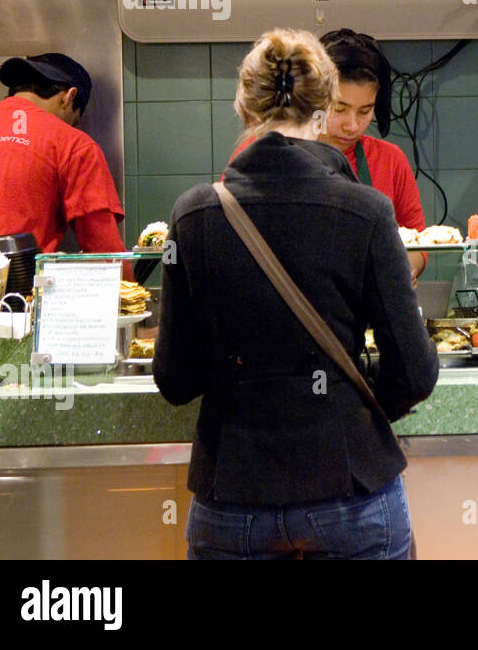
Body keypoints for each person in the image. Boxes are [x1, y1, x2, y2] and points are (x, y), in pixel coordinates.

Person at [154, 28, 439, 560]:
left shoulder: (192, 215)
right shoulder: (368, 211)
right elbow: (416, 373)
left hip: (232, 494)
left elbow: (175, 379)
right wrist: (356, 400)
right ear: (324, 104)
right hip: (350, 489)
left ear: (244, 103)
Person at [227, 28, 428, 283]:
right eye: (339, 109)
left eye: (365, 111)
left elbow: (419, 238)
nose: (352, 125)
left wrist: (398, 274)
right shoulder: (259, 154)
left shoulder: (390, 160)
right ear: (315, 100)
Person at [0, 53, 124, 253]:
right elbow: (103, 248)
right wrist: (128, 283)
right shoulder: (73, 144)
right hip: (17, 282)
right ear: (69, 97)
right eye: (74, 121)